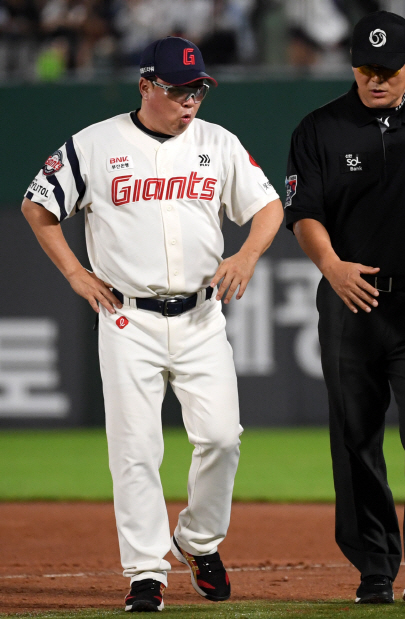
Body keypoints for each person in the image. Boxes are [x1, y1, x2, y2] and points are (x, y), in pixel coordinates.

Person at [21, 36, 283, 612]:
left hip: (201, 314)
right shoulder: (95, 144)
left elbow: (268, 207)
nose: (191, 99)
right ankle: (145, 572)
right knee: (135, 450)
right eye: (178, 89)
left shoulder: (218, 143)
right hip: (126, 317)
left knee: (221, 437)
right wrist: (73, 272)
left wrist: (245, 257)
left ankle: (197, 540)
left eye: (198, 89)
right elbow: (37, 206)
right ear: (146, 87)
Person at [285, 11, 405, 606]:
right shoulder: (320, 128)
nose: (377, 79)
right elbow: (304, 213)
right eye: (366, 68)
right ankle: (372, 566)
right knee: (353, 436)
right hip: (350, 300)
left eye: (389, 69)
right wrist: (332, 267)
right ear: (353, 67)